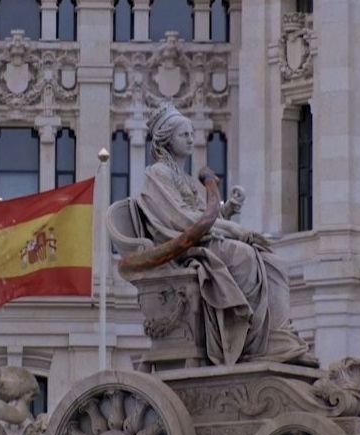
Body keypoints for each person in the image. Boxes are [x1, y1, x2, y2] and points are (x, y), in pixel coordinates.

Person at [132, 102, 317, 367]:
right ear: (166, 139)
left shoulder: (183, 177)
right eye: (183, 134)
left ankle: (275, 336)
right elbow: (181, 219)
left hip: (204, 240)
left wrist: (227, 210)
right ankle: (250, 343)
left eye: (190, 133)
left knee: (272, 262)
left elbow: (203, 215)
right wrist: (233, 229)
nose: (190, 139)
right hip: (187, 249)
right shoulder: (157, 174)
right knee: (244, 256)